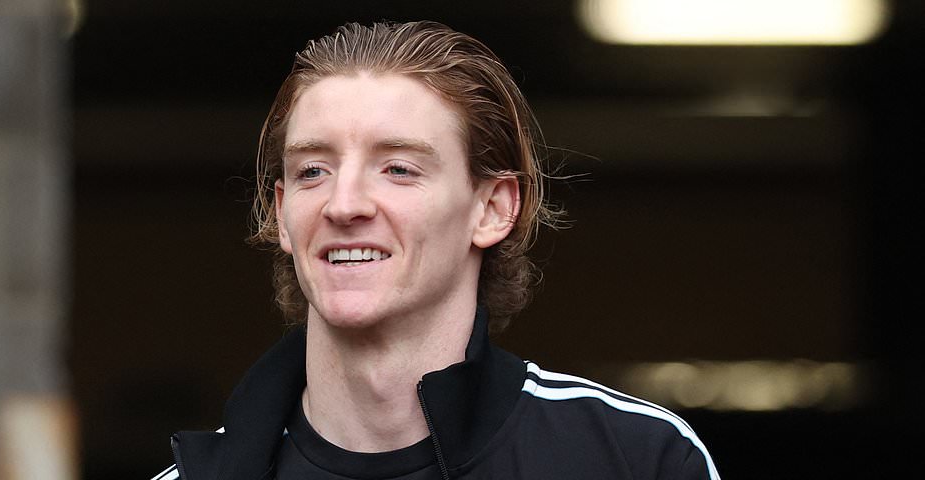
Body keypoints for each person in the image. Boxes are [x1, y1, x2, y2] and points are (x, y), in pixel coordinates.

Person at [153, 20, 719, 480]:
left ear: (492, 208)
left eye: (398, 169)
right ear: (281, 212)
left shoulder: (635, 458)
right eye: (312, 171)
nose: (343, 204)